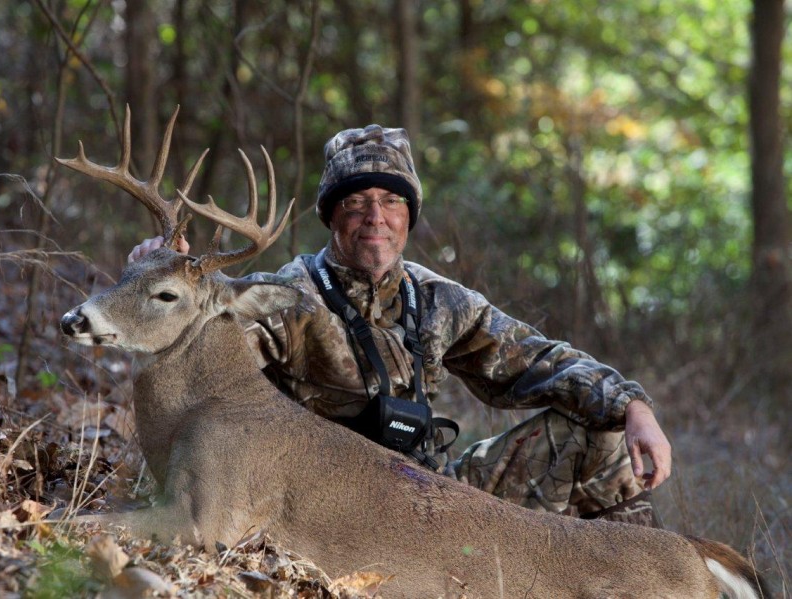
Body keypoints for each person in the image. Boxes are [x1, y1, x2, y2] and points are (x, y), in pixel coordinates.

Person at [129, 124, 671, 526]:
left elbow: (540, 362)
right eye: (357, 201)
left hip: (431, 493)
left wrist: (634, 407)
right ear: (331, 214)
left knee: (599, 433)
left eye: (391, 201)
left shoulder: (438, 299)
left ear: (409, 214)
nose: (376, 217)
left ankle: (639, 577)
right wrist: (167, 287)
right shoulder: (286, 298)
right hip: (330, 509)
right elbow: (195, 363)